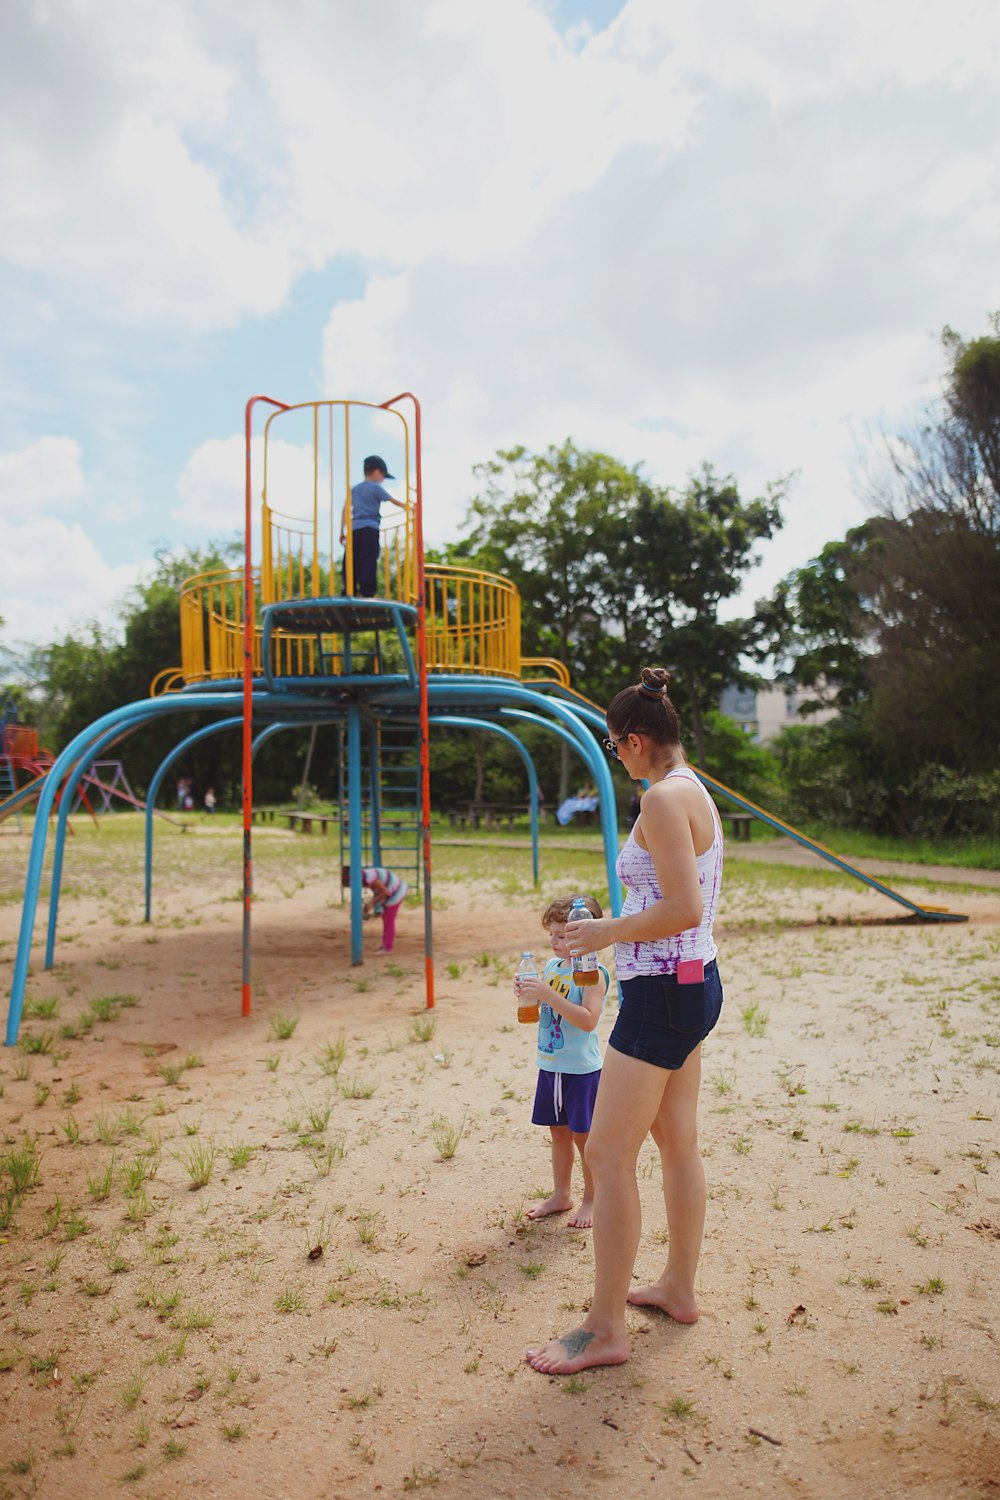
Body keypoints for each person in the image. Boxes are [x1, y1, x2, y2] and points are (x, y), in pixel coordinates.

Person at [525, 665, 724, 1376]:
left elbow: (682, 908)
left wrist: (607, 932)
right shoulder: (692, 787)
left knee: (607, 1157)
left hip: (664, 993)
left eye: (615, 747)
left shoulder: (663, 802)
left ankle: (605, 1328)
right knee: (677, 1143)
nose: (616, 758)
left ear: (636, 742)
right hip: (690, 986)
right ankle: (676, 1286)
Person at [514, 895, 611, 1230]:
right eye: (551, 935)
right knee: (558, 1133)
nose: (553, 942)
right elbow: (550, 1010)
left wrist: (548, 995)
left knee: (585, 1138)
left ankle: (592, 1198)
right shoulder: (554, 967)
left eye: (562, 935)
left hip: (581, 1071)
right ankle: (561, 1194)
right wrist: (530, 995)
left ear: (586, 934)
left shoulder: (593, 974)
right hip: (552, 1064)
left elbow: (587, 1020)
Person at [339, 456, 406, 599]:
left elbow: (345, 510)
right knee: (368, 559)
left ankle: (349, 590)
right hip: (370, 529)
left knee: (351, 560)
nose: (382, 480)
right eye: (383, 476)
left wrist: (342, 531)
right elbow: (393, 501)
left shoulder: (355, 489)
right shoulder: (376, 488)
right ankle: (367, 591)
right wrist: (409, 507)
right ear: (376, 472)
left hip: (354, 531)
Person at [341, 864, 409, 953]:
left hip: (396, 892)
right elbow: (380, 891)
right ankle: (385, 944)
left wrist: (372, 903)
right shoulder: (364, 876)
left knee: (389, 920)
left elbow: (384, 891)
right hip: (391, 890)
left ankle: (388, 947)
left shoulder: (369, 878)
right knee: (385, 918)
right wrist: (370, 904)